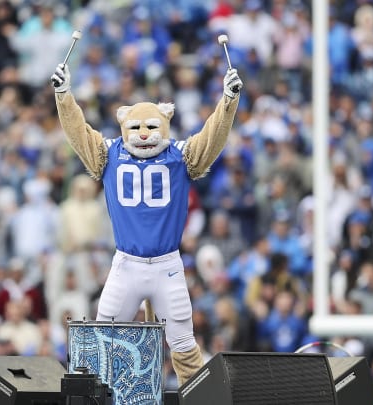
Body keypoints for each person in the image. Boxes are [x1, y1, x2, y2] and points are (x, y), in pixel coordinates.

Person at [51, 58, 242, 384]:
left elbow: (211, 139)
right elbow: (79, 133)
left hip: (167, 264)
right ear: (123, 126)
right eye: (136, 128)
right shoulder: (109, 153)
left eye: (151, 127)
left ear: (165, 123)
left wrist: (228, 102)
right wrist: (64, 96)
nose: (143, 135)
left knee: (183, 346)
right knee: (101, 345)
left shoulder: (180, 155)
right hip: (127, 264)